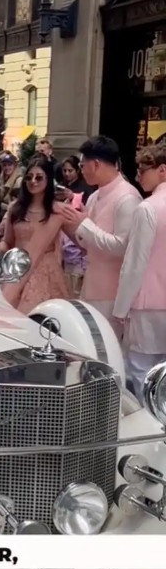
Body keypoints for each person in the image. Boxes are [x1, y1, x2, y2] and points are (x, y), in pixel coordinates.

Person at [58, 135, 141, 336]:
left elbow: (123, 247)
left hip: (112, 291)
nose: (81, 170)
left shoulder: (127, 197)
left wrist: (84, 224)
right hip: (91, 284)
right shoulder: (95, 195)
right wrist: (67, 223)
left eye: (82, 164)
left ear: (95, 164)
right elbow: (87, 241)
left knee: (109, 347)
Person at [114, 145, 166, 399]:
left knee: (141, 370)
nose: (138, 176)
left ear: (162, 170)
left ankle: (152, 429)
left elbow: (135, 263)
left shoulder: (148, 208)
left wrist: (120, 309)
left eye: (143, 170)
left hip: (148, 305)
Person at [0, 156, 69, 314]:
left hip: (47, 273)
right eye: (29, 177)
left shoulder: (57, 211)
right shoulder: (15, 209)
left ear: (48, 180)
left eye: (39, 177)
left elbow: (80, 238)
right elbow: (7, 242)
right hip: (17, 269)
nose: (33, 181)